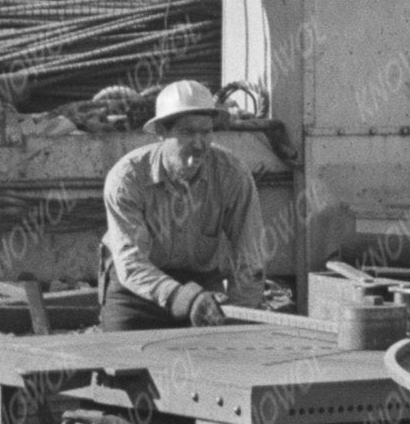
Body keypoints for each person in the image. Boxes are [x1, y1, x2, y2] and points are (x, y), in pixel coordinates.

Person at [99, 77, 278, 328]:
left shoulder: (232, 175)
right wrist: (182, 298)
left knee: (218, 358)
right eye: (187, 132)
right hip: (136, 288)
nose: (198, 143)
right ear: (162, 132)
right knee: (122, 360)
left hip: (201, 283)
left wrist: (238, 316)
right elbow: (132, 263)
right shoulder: (127, 179)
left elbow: (250, 257)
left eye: (206, 132)